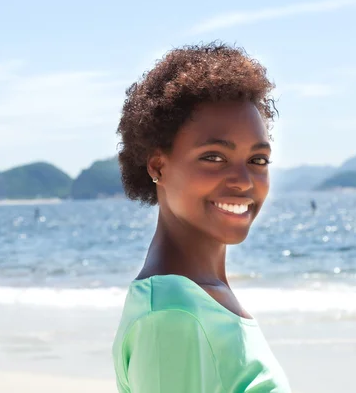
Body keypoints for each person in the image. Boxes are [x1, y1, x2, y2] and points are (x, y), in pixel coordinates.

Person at [112, 42, 292, 392]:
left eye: (257, 160)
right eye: (214, 157)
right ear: (158, 166)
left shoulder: (199, 296)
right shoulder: (172, 317)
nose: (243, 181)